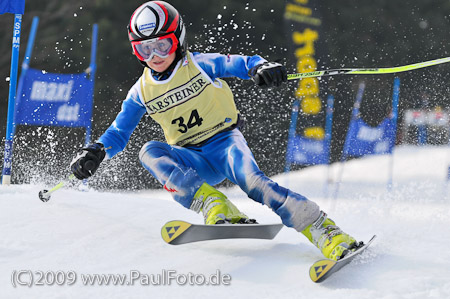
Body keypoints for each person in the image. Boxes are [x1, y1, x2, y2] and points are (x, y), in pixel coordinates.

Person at [70, 1, 361, 261]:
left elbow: (238, 63)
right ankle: (213, 203)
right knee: (149, 152)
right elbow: (119, 133)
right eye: (144, 49)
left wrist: (262, 67)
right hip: (193, 160)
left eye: (163, 45)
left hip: (225, 144)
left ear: (178, 40)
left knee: (255, 184)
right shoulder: (141, 92)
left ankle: (327, 232)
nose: (155, 55)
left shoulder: (198, 64)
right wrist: (95, 151)